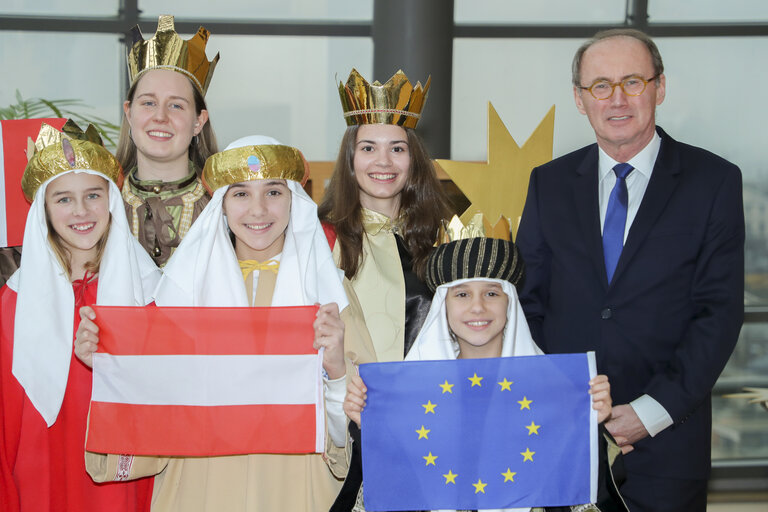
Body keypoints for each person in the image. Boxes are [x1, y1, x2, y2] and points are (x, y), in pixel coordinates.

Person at [76, 137, 376, 512]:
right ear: (221, 205)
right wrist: (108, 361)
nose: (258, 209)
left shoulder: (330, 292)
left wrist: (335, 372)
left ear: (294, 201)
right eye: (240, 194)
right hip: (200, 488)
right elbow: (155, 402)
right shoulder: (181, 292)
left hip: (295, 488)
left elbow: (363, 425)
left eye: (273, 192)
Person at [515, 28, 744, 511]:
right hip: (560, 436)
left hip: (668, 442)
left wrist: (650, 412)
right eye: (600, 86)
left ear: (659, 88)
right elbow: (527, 303)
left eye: (632, 82)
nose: (616, 99)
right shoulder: (548, 184)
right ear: (580, 99)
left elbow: (718, 314)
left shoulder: (714, 181)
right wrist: (562, 397)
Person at [344, 227, 617, 512]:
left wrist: (587, 424)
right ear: (443, 307)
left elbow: (569, 488)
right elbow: (398, 481)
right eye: (462, 294)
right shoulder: (410, 394)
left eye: (491, 293)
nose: (477, 307)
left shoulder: (552, 391)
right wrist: (372, 427)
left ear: (509, 302)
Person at [0, 121, 160, 511]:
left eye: (93, 195)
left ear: (111, 201)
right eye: (63, 199)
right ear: (43, 209)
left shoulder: (150, 292)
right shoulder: (14, 301)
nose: (82, 211)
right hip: (39, 472)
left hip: (119, 475)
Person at [319, 69, 451, 510]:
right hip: (346, 423)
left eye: (397, 149)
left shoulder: (444, 239)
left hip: (431, 422)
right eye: (369, 148)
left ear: (413, 159)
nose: (383, 162)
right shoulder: (321, 240)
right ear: (350, 159)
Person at [117, 15, 219, 266]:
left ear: (198, 121)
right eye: (149, 103)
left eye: (176, 105)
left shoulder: (225, 209)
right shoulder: (99, 205)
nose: (160, 117)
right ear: (129, 113)